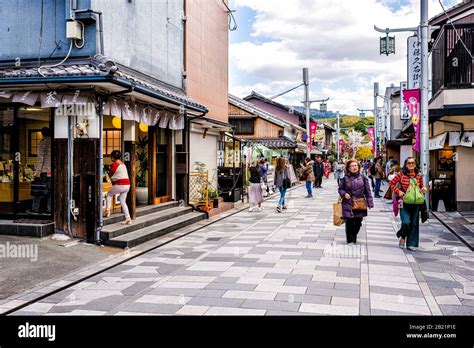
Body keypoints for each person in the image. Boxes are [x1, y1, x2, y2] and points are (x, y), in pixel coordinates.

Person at [389, 157, 427, 251]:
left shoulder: (418, 175)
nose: (411, 164)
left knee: (414, 223)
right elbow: (392, 183)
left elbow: (421, 185)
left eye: (413, 163)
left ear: (415, 164)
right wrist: (399, 192)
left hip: (416, 202)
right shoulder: (401, 174)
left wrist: (424, 188)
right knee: (406, 222)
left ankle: (411, 244)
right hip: (404, 202)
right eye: (409, 163)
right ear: (406, 165)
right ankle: (402, 237)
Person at [338, 159, 374, 244]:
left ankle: (354, 235)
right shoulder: (345, 178)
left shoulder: (363, 178)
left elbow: (368, 191)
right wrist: (344, 194)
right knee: (349, 222)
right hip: (348, 202)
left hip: (360, 202)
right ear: (348, 168)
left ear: (358, 167)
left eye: (355, 165)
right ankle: (350, 240)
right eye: (352, 166)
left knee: (358, 222)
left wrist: (370, 203)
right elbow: (340, 189)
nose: (354, 167)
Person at [105, 150, 131, 224]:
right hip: (127, 185)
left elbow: (110, 175)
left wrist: (108, 169)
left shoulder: (114, 164)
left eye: (111, 157)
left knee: (109, 194)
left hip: (120, 184)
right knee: (123, 201)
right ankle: (128, 218)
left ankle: (107, 212)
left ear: (113, 157)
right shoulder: (123, 164)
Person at [30, 127, 52, 214]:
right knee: (50, 191)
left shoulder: (43, 143)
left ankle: (35, 209)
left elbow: (40, 158)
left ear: (42, 134)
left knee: (38, 190)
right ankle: (49, 209)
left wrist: (37, 171)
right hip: (51, 171)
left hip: (44, 171)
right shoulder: (53, 142)